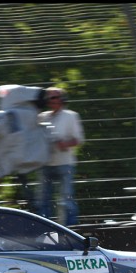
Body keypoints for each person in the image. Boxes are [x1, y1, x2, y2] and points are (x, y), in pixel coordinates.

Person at [37, 87, 85, 226]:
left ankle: (71, 229)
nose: (49, 100)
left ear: (62, 99)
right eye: (48, 98)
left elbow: (78, 139)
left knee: (66, 200)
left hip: (65, 163)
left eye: (53, 97)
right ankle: (43, 229)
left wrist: (64, 143)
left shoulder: (71, 116)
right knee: (43, 200)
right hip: (45, 163)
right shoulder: (42, 116)